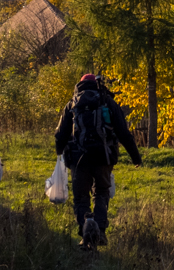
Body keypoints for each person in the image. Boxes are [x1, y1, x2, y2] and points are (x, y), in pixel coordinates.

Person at [54, 74, 141, 249]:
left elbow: (60, 135)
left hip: (78, 158)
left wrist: (60, 156)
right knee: (101, 192)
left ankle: (85, 230)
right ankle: (100, 231)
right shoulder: (107, 101)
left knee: (81, 197)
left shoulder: (72, 104)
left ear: (80, 84)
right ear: (96, 84)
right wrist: (135, 157)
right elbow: (124, 132)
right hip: (104, 156)